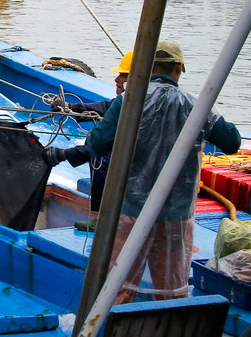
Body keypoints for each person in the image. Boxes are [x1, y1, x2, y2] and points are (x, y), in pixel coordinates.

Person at [83, 40, 241, 303]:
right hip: (176, 214)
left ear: (145, 67)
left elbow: (96, 144)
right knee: (172, 289)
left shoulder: (128, 101)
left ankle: (108, 333)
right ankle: (169, 335)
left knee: (118, 286)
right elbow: (232, 142)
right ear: (179, 68)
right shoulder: (197, 104)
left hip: (130, 210)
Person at [45, 50, 133, 213]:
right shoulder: (135, 99)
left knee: (100, 156)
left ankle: (100, 217)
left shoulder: (134, 105)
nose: (116, 79)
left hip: (136, 174)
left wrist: (63, 154)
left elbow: (100, 144)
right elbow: (108, 107)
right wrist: (71, 108)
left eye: (122, 75)